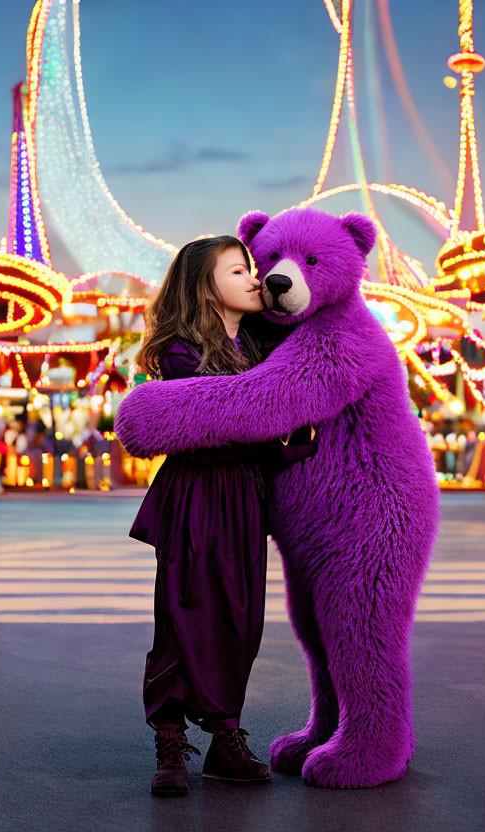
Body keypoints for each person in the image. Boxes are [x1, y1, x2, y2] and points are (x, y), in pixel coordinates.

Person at [128, 236, 315, 797]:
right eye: (238, 270)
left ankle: (224, 738)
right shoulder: (181, 350)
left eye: (251, 268)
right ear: (205, 288)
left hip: (244, 498)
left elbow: (263, 425)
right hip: (196, 497)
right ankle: (170, 741)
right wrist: (274, 429)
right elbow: (209, 432)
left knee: (240, 619)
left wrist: (284, 438)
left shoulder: (258, 346)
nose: (255, 278)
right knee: (184, 615)